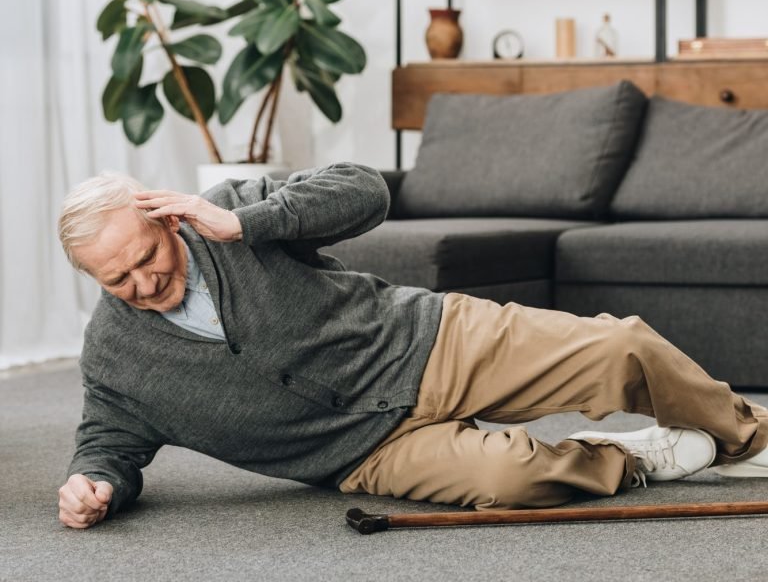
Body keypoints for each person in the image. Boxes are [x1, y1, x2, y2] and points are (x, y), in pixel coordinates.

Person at [56, 162, 768, 530]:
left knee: (618, 348)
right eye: (118, 279)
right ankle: (629, 460)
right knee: (512, 480)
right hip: (364, 454)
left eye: (147, 257)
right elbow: (108, 440)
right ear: (92, 278)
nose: (145, 282)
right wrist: (96, 484)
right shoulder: (116, 356)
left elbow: (364, 192)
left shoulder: (232, 212)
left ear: (166, 220)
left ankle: (748, 438)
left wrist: (250, 222)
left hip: (427, 341)